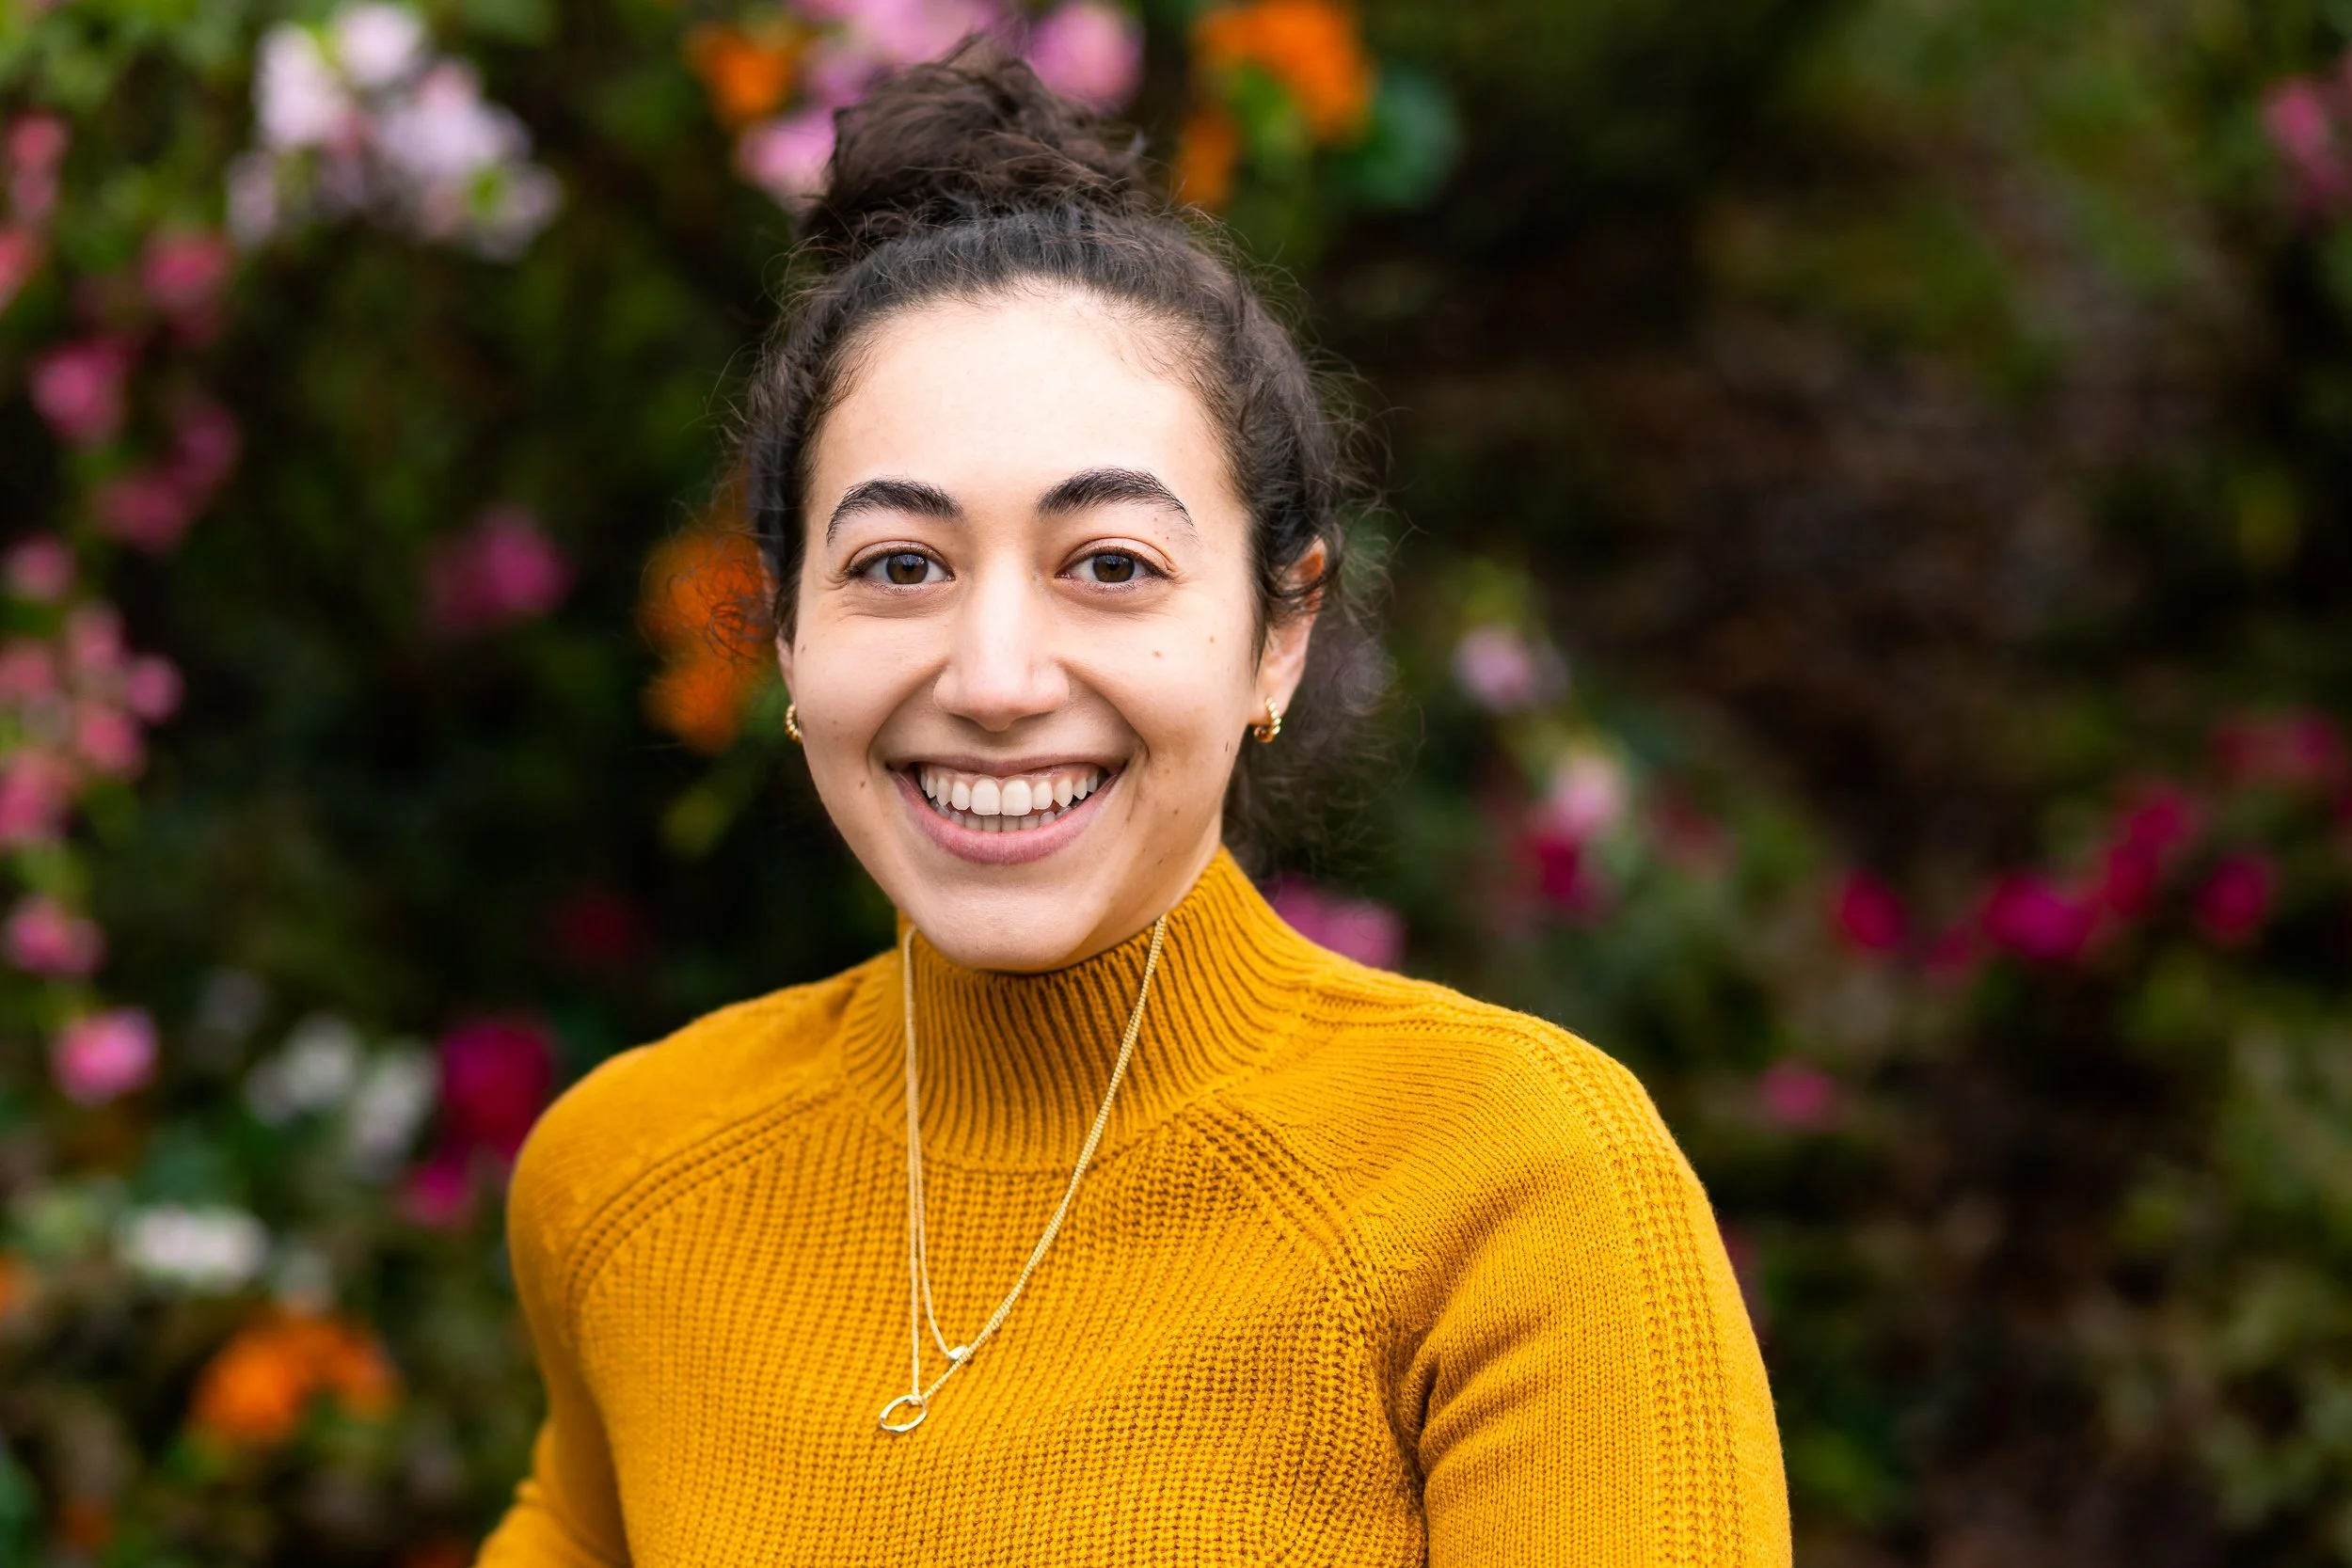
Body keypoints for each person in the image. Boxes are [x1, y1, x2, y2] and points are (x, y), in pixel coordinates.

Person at [477, 48, 1788, 1568]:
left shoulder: (1513, 1188)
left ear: (1278, 633)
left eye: (1111, 564)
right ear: (786, 628)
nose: (995, 676)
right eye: (900, 565)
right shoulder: (626, 1182)